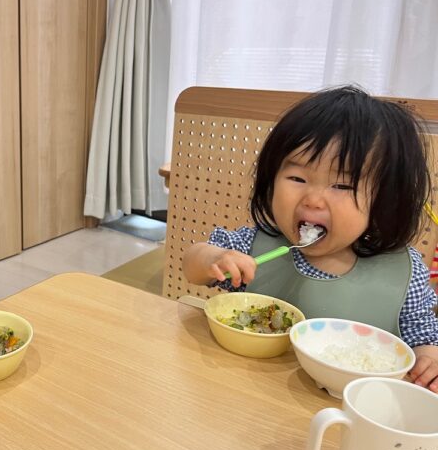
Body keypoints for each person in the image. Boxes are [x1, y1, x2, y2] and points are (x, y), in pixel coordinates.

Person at [182, 85, 438, 392]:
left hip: (347, 412)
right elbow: (193, 266)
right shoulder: (253, 246)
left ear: (384, 200)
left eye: (342, 186)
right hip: (250, 394)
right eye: (297, 178)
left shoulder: (403, 274)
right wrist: (213, 259)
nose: (314, 199)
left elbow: (424, 338)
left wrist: (429, 359)